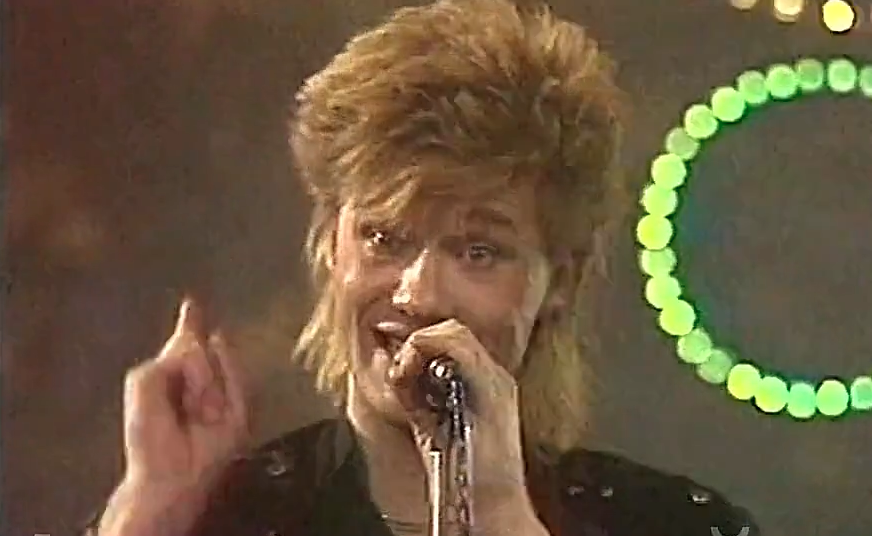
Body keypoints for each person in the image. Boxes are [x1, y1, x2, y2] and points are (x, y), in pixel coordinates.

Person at [86, 1, 761, 535]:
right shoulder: (227, 518)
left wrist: (496, 511)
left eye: (477, 252)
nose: (418, 294)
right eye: (384, 238)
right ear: (330, 244)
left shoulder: (672, 523)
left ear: (560, 281)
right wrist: (150, 510)